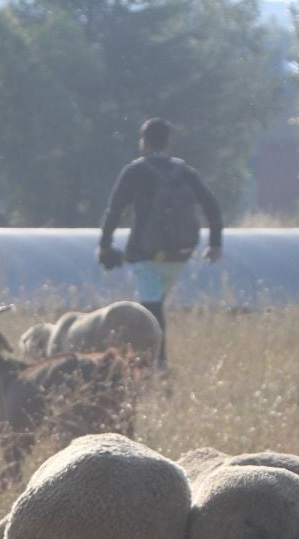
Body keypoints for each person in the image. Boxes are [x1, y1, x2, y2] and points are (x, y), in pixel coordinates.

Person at [97, 117, 223, 370]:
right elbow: (212, 206)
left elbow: (115, 210)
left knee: (150, 310)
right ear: (168, 142)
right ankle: (151, 361)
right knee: (155, 305)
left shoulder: (134, 171)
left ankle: (158, 363)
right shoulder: (186, 172)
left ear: (143, 143)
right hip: (180, 254)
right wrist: (215, 243)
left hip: (146, 255)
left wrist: (105, 244)